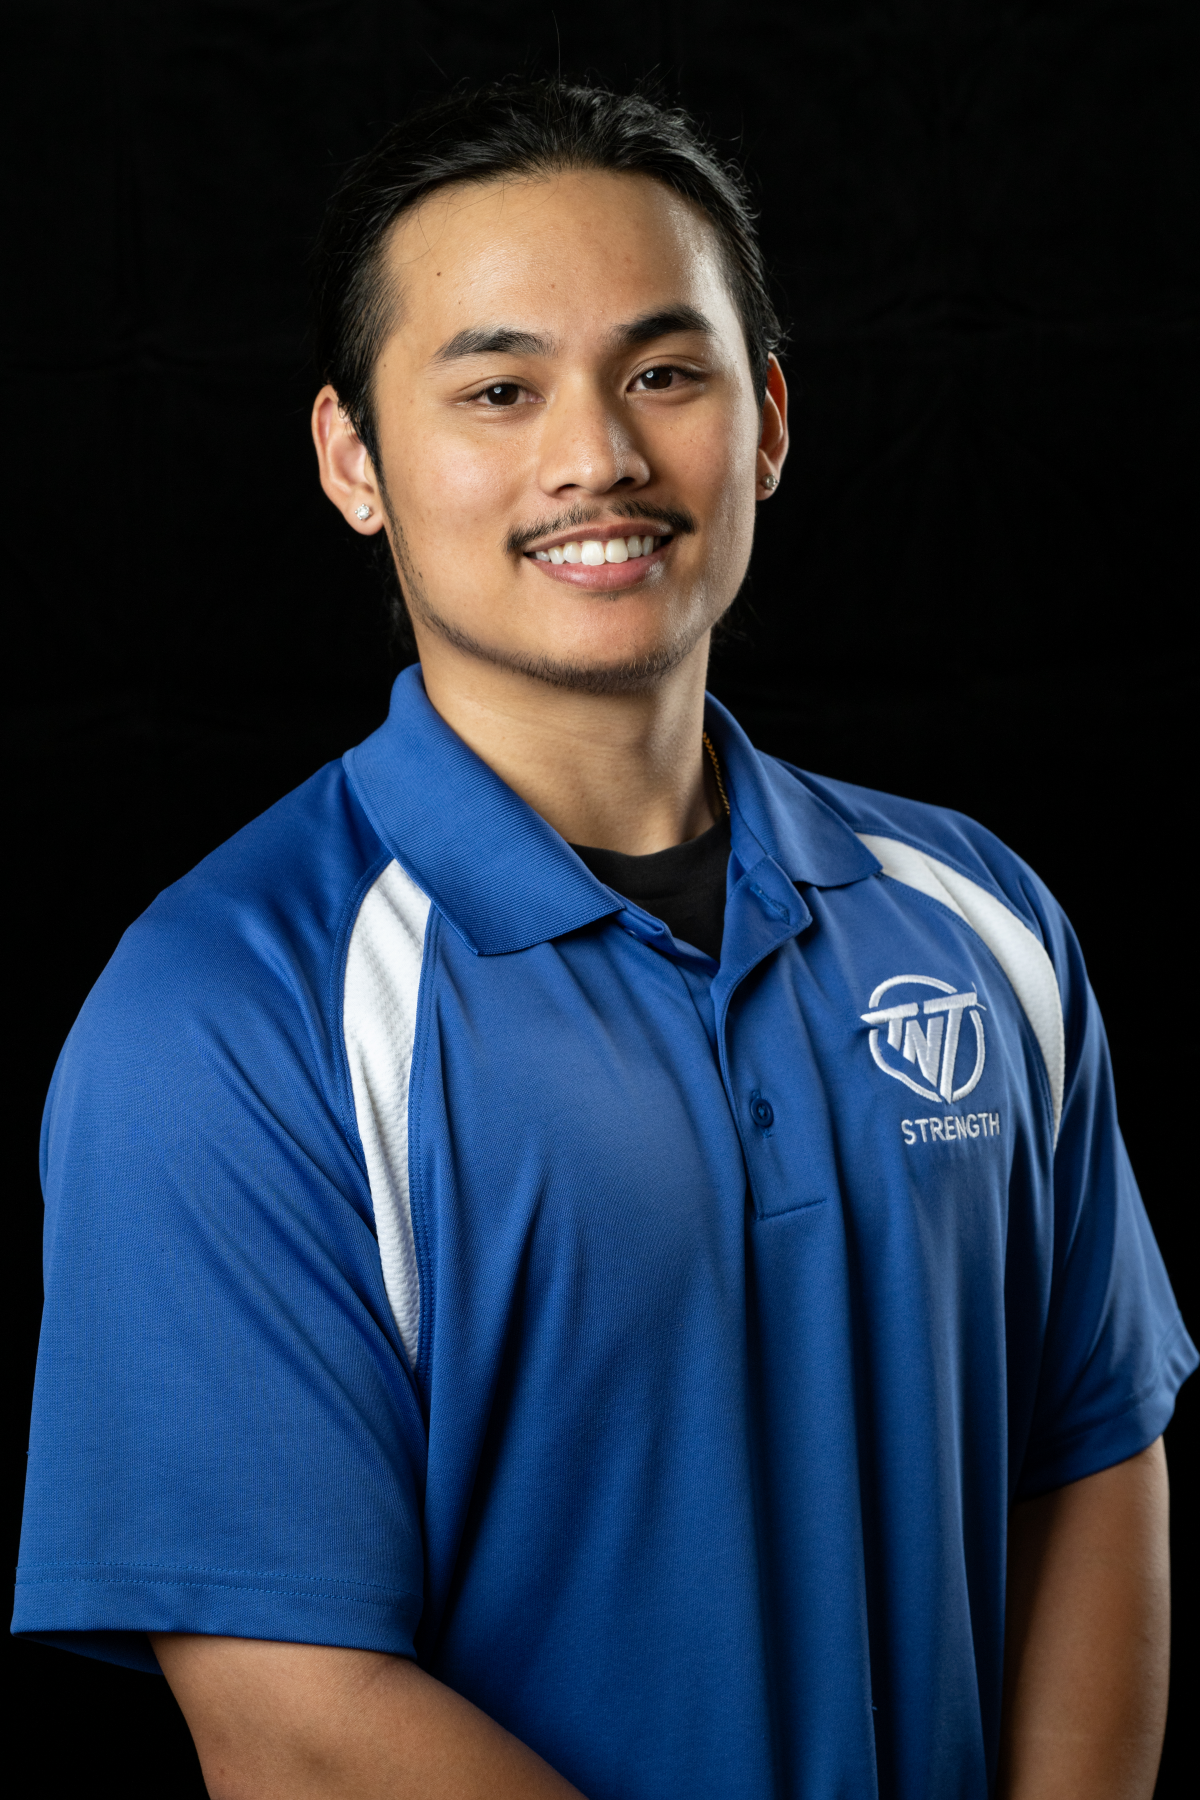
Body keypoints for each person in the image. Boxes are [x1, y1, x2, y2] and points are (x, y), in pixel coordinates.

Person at [14, 78, 1195, 1800]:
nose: (600, 458)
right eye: (499, 388)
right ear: (356, 460)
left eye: (665, 373)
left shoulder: (981, 922)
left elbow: (1091, 1457)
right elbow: (296, 1725)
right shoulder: (222, 1015)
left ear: (768, 417)